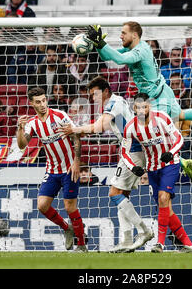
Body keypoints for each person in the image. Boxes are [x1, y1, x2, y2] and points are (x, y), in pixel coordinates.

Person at [86, 21, 192, 180]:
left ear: (134, 35)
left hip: (156, 100)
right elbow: (111, 57)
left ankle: (183, 162)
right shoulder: (134, 48)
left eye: (123, 33)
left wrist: (101, 43)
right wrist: (99, 45)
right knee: (181, 114)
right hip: (164, 90)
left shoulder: (140, 51)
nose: (120, 36)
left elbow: (119, 59)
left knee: (150, 137)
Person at [58, 76, 154, 253]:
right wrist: (81, 131)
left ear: (106, 91)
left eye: (95, 94)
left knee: (114, 192)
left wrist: (76, 129)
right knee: (122, 194)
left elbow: (100, 127)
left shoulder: (113, 103)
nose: (93, 98)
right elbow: (103, 126)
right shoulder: (117, 103)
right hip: (131, 148)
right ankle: (126, 240)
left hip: (132, 149)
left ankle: (144, 230)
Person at [120, 93, 192, 253]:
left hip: (170, 163)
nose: (142, 110)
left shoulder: (162, 119)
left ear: (149, 106)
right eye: (138, 107)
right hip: (152, 167)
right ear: (134, 108)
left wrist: (172, 152)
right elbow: (124, 152)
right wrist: (133, 167)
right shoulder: (130, 127)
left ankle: (159, 244)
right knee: (165, 208)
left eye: (145, 106)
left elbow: (179, 138)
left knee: (163, 198)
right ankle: (188, 244)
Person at [17, 87, 87, 252]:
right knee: (42, 205)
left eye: (44, 100)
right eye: (38, 102)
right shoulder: (32, 123)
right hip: (52, 169)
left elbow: (75, 136)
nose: (42, 104)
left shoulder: (60, 116)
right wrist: (20, 128)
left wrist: (77, 162)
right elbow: (21, 145)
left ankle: (82, 245)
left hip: (70, 168)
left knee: (70, 207)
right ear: (31, 103)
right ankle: (67, 228)